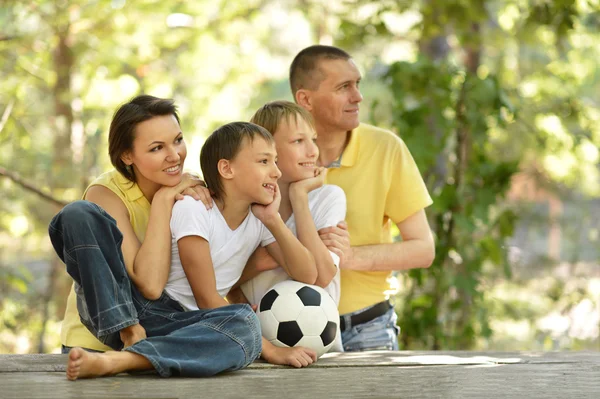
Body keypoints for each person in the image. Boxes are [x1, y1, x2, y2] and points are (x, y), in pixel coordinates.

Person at [48, 95, 261, 380]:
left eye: (177, 140)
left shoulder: (190, 191)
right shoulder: (107, 193)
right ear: (127, 156)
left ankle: (126, 360)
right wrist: (163, 201)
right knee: (78, 213)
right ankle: (128, 332)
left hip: (159, 323)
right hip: (100, 333)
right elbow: (149, 284)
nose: (174, 155)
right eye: (157, 148)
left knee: (243, 322)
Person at [289, 45, 435, 351]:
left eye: (358, 84)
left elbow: (423, 249)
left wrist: (350, 256)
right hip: (287, 332)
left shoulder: (387, 148)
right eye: (344, 87)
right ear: (305, 99)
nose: (358, 97)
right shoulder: (271, 149)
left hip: (368, 329)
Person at [164, 121, 321, 368]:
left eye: (276, 161)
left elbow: (308, 274)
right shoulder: (194, 208)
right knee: (243, 318)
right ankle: (127, 359)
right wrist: (270, 350)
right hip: (169, 314)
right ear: (227, 169)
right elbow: (205, 298)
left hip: (206, 322)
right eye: (264, 161)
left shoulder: (258, 218)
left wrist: (273, 219)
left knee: (237, 327)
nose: (276, 172)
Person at [226, 100, 346, 352]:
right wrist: (256, 264)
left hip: (321, 345)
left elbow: (322, 277)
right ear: (267, 149)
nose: (313, 151)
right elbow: (224, 282)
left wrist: (299, 197)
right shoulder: (243, 207)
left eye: (313, 139)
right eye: (298, 141)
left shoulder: (328, 197)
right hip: (262, 347)